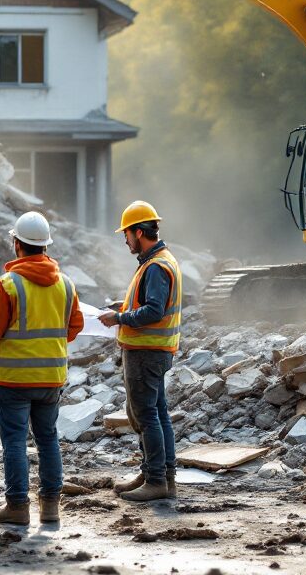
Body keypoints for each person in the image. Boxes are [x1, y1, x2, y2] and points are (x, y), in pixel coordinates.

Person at [0, 211, 84, 525]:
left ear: (17, 244)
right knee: (48, 439)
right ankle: (50, 507)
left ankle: (18, 507)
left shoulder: (8, 284)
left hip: (14, 380)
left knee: (15, 443)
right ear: (45, 246)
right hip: (51, 379)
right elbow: (74, 327)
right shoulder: (66, 284)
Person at [98, 201, 183, 502]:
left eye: (126, 234)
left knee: (146, 415)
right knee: (157, 413)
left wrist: (120, 318)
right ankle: (158, 475)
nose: (125, 240)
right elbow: (148, 303)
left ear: (138, 232)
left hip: (146, 352)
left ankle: (156, 480)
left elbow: (154, 310)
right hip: (154, 351)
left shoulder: (156, 266)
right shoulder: (159, 260)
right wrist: (121, 308)